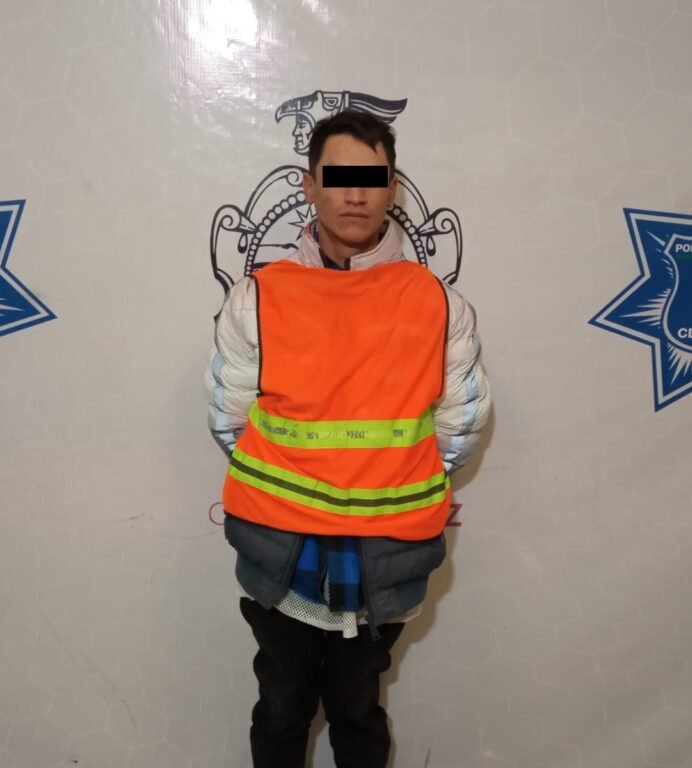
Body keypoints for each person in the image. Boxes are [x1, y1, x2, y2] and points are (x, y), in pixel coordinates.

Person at [205, 109, 491, 768]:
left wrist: (385, 479)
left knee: (358, 713)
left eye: (371, 178)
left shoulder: (438, 302)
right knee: (280, 711)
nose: (354, 194)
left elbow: (460, 426)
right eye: (337, 178)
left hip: (382, 559)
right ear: (310, 186)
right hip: (283, 555)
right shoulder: (256, 297)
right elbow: (230, 418)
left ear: (393, 188)